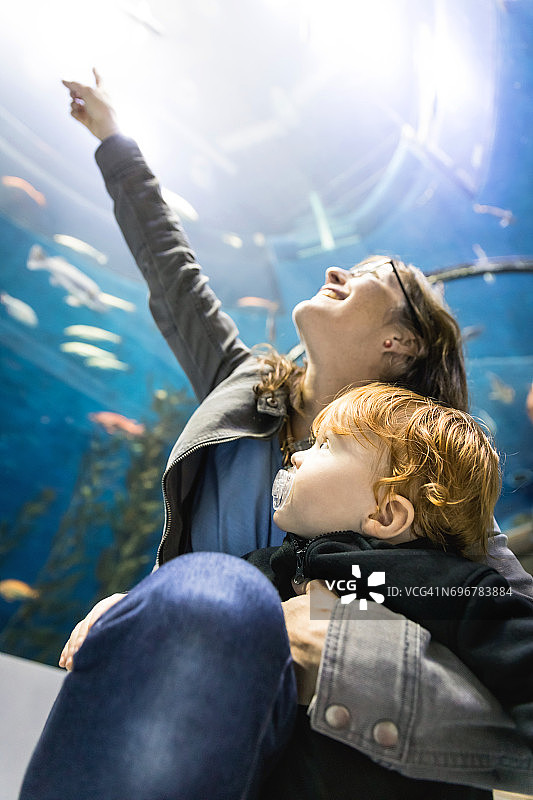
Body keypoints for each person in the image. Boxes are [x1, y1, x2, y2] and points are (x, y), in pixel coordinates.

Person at [39, 71, 532, 793]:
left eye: (371, 275)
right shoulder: (235, 383)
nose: (336, 268)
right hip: (189, 708)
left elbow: (499, 615)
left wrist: (350, 660)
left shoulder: (419, 474)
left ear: (402, 343)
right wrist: (114, 140)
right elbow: (168, 265)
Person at [244, 382, 533, 797]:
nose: (297, 455)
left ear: (385, 513)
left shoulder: (441, 584)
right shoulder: (271, 564)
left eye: (325, 446)